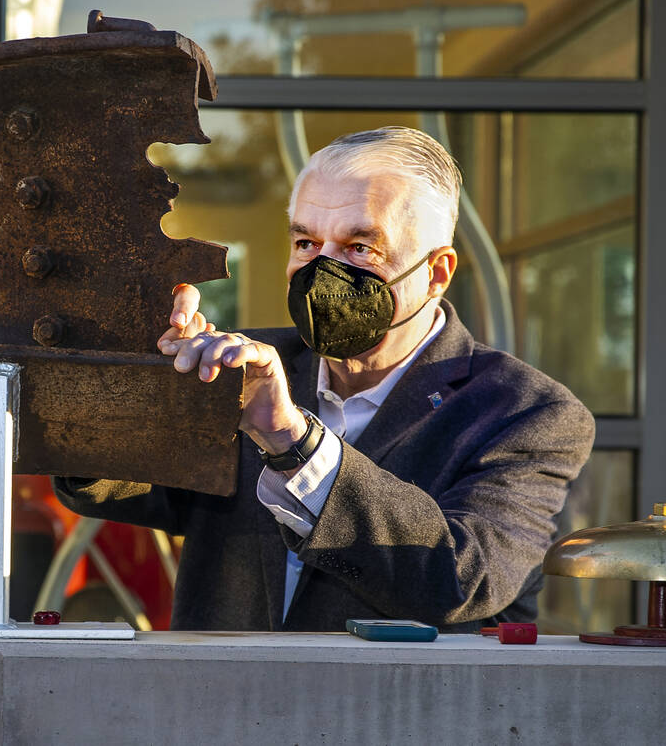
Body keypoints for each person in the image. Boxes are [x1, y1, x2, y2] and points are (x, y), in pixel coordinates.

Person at [55, 126, 595, 632]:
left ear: (436, 272)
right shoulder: (245, 367)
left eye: (359, 248)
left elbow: (460, 579)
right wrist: (129, 361)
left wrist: (292, 441)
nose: (323, 270)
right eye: (306, 243)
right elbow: (110, 482)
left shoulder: (527, 413)